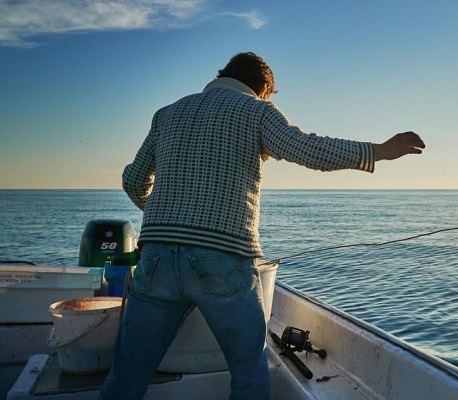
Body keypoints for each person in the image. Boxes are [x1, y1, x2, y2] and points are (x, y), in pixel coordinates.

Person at [100, 51, 425, 399]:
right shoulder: (256, 110)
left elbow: (134, 180)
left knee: (127, 375)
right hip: (223, 258)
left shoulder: (167, 114)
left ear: (223, 74)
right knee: (249, 371)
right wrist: (378, 150)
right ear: (263, 89)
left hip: (157, 258)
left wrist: (163, 216)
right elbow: (308, 150)